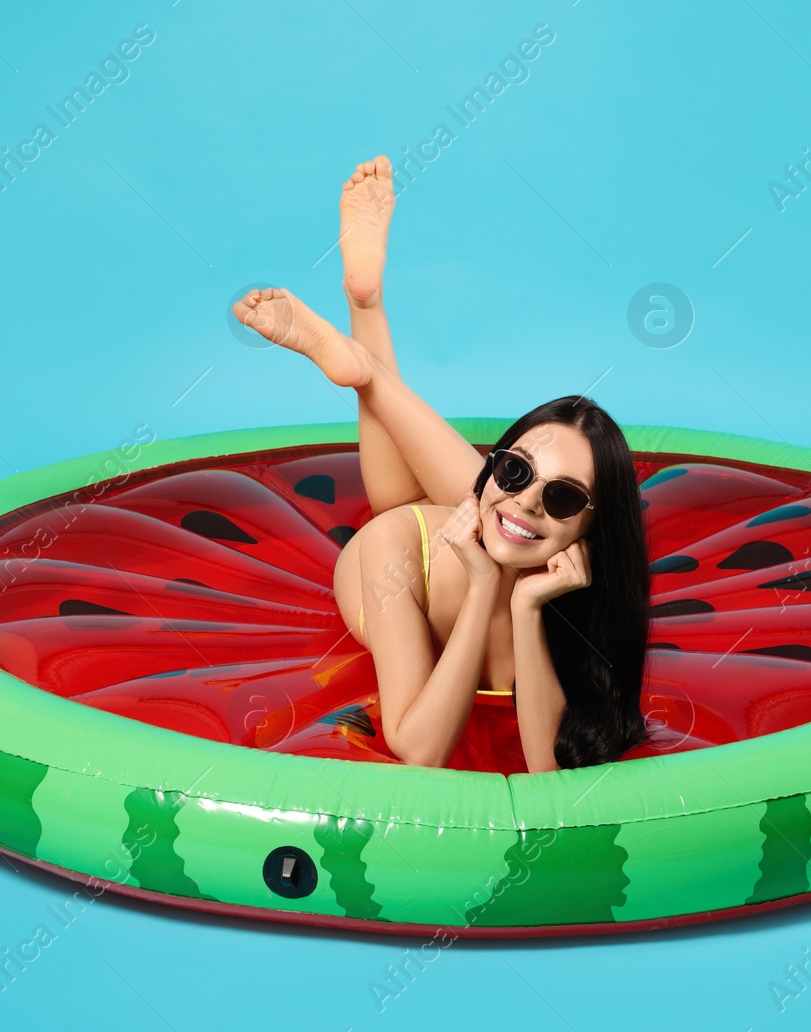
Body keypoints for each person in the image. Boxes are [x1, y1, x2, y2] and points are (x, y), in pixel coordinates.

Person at [232, 156, 651, 772]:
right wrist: (484, 586)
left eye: (564, 498)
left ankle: (367, 333)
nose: (532, 497)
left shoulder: (577, 593)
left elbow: (548, 766)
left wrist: (526, 605)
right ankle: (366, 345)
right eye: (512, 469)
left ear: (592, 527)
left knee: (503, 517)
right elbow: (418, 746)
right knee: (463, 508)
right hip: (410, 547)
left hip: (485, 532)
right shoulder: (401, 548)